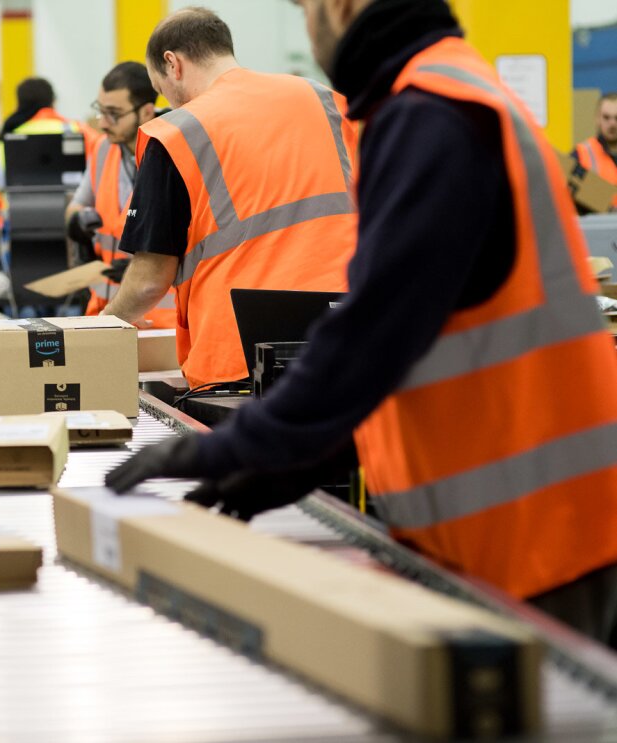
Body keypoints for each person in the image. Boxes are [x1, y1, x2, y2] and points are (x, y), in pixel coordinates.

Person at [107, 0, 617, 648]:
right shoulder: (433, 96)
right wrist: (305, 457)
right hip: (518, 521)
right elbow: (427, 342)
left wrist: (240, 446)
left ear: (341, 5)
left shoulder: (431, 115)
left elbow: (374, 330)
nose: (306, 25)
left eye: (304, 9)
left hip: (537, 534)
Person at [100, 7, 358, 388]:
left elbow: (148, 281)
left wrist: (103, 324)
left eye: (161, 88)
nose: (168, 101)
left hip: (240, 362)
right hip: (348, 339)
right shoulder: (324, 100)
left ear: (172, 64)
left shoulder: (176, 133)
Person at [65, 61, 176, 328]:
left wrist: (142, 269)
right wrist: (77, 223)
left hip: (160, 320)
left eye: (114, 114)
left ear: (146, 111)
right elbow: (76, 206)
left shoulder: (174, 150)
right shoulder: (104, 149)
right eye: (101, 111)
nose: (103, 123)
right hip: (105, 313)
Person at [0, 77, 99, 274]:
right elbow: (103, 170)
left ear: (19, 103)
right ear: (53, 101)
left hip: (21, 234)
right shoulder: (80, 132)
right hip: (75, 230)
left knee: (26, 287)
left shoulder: (3, 144)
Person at [572, 92, 617, 212]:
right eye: (606, 117)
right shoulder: (581, 153)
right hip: (595, 222)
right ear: (598, 119)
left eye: (616, 118)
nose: (612, 123)